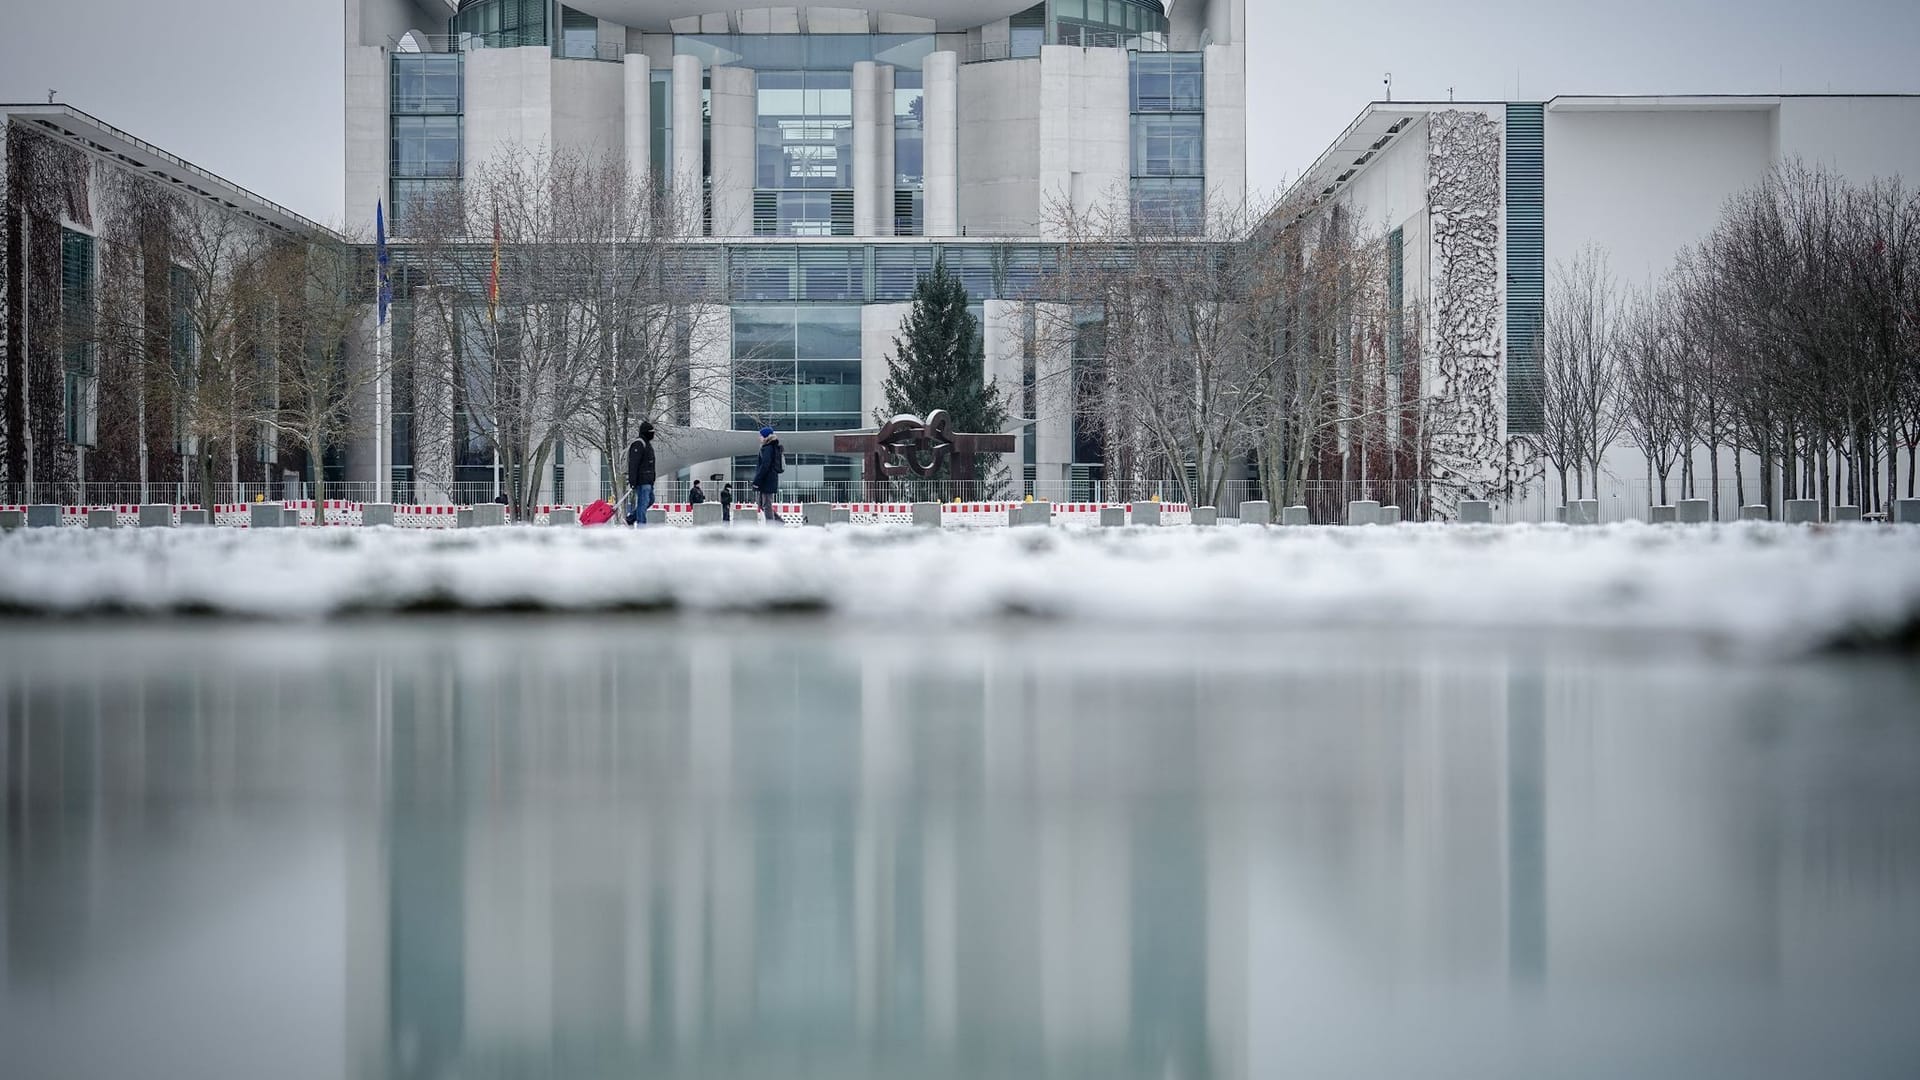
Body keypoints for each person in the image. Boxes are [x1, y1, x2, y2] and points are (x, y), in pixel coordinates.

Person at [625, 421, 656, 527]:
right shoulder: (639, 444)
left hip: (648, 480)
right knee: (643, 503)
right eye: (651, 432)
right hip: (642, 480)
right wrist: (632, 480)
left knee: (650, 500)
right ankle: (641, 525)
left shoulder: (647, 444)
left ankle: (631, 518)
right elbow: (633, 463)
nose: (653, 434)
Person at [753, 426, 784, 524]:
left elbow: (764, 466)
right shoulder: (771, 447)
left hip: (767, 480)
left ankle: (771, 525)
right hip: (769, 479)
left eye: (761, 436)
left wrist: (757, 480)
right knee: (762, 504)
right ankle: (778, 521)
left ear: (766, 437)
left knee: (766, 504)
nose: (760, 438)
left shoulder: (767, 448)